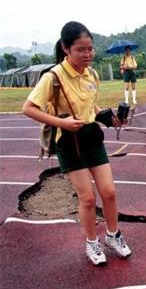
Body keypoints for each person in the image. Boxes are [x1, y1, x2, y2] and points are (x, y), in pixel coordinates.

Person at [22, 21, 132, 266]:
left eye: (90, 49)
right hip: (69, 143)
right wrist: (62, 123)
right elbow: (28, 108)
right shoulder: (53, 77)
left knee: (110, 192)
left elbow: (90, 105)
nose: (87, 54)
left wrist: (107, 116)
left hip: (90, 138)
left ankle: (113, 236)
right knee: (88, 198)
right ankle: (92, 242)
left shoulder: (91, 74)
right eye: (81, 50)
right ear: (65, 48)